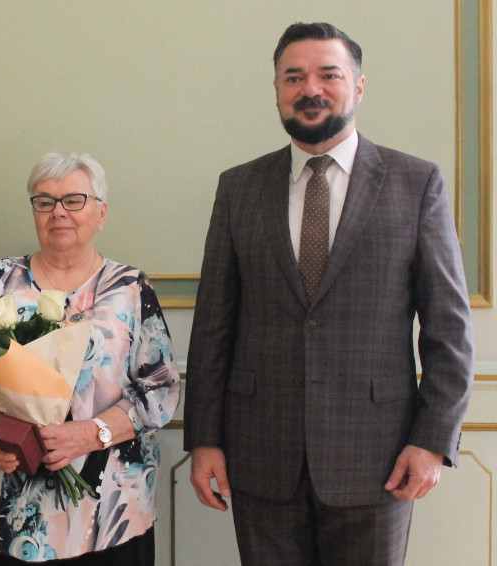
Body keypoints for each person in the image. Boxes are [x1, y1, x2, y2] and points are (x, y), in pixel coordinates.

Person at [184, 22, 475, 565]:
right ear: (276, 90)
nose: (309, 88)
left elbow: (449, 330)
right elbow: (213, 326)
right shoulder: (239, 188)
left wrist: (433, 440)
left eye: (328, 74)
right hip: (260, 453)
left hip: (379, 459)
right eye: (293, 77)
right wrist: (205, 439)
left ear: (358, 87)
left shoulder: (416, 184)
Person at [0, 152, 180, 564]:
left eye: (74, 200)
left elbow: (159, 391)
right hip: (15, 509)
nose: (59, 212)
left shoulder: (129, 288)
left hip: (112, 513)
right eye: (45, 201)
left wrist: (91, 434)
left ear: (101, 212)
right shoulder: (0, 280)